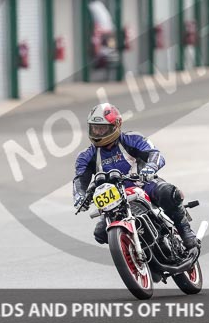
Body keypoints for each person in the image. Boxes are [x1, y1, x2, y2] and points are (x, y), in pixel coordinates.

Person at [73, 103, 198, 249]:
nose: (98, 133)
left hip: (143, 185)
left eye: (102, 128)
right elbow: (80, 179)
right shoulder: (85, 156)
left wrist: (150, 167)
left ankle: (186, 232)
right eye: (95, 128)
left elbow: (154, 153)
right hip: (114, 199)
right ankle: (130, 248)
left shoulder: (132, 139)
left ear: (115, 126)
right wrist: (79, 195)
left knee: (169, 193)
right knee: (100, 233)